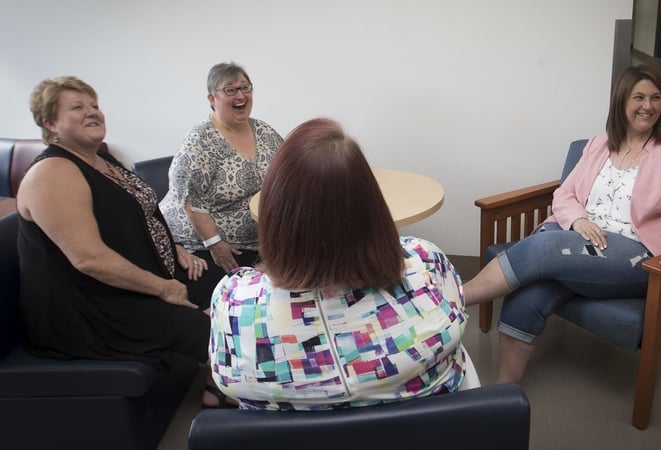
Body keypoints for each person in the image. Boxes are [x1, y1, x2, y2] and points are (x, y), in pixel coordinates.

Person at [464, 64, 661, 383]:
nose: (648, 106)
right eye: (639, 97)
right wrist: (578, 219)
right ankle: (504, 392)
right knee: (529, 294)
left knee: (545, 245)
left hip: (636, 256)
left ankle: (456, 298)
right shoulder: (599, 144)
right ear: (622, 101)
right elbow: (565, 193)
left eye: (656, 98)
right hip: (579, 243)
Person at [209, 118, 474, 410]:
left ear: (276, 214)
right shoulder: (426, 264)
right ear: (372, 205)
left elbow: (229, 380)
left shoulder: (234, 303)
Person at [17, 76, 230, 408]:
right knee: (203, 328)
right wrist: (164, 288)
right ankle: (224, 391)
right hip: (88, 308)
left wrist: (176, 249)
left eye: (94, 105)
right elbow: (89, 259)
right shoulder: (53, 172)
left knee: (226, 288)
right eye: (77, 107)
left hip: (134, 282)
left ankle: (222, 376)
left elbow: (139, 215)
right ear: (49, 122)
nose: (93, 112)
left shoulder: (100, 161)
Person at [160, 62, 283, 302]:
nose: (240, 95)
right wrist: (215, 244)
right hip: (201, 244)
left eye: (245, 87)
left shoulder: (264, 131)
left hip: (258, 240)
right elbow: (191, 202)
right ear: (212, 98)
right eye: (230, 90)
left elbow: (287, 171)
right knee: (235, 299)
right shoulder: (199, 141)